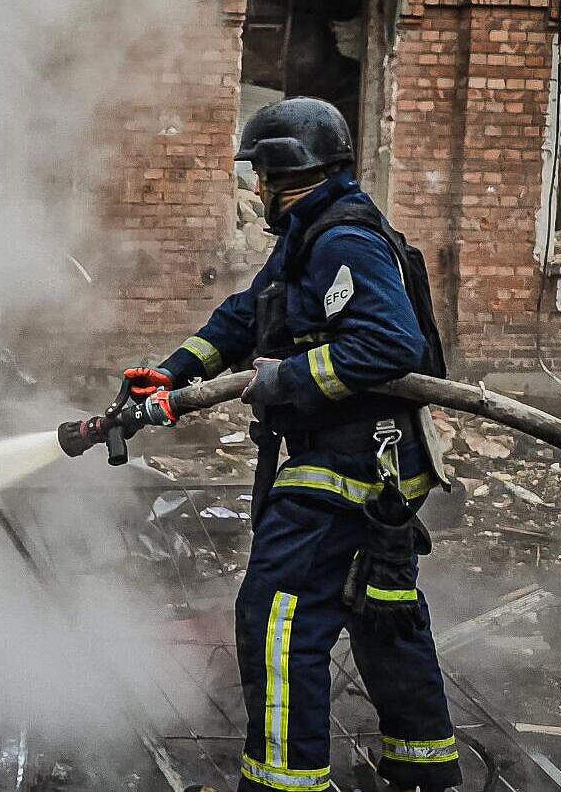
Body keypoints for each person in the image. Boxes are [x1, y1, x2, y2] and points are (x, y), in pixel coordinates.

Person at [129, 98, 461, 792]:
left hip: (349, 469)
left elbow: (390, 344)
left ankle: (283, 783)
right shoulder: (309, 236)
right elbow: (248, 315)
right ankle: (424, 770)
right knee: (382, 611)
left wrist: (287, 380)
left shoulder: (344, 241)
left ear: (287, 169)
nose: (255, 187)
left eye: (260, 172)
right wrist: (174, 371)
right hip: (376, 468)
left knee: (277, 618)